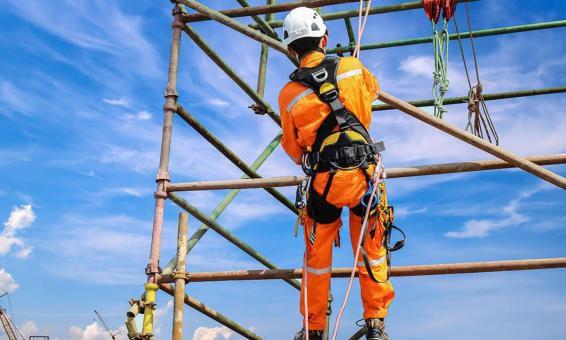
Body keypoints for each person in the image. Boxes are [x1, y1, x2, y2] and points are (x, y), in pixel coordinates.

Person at [278, 7, 394, 340]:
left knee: (316, 259)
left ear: (291, 50)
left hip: (324, 182)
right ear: (325, 39)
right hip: (364, 177)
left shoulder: (289, 95)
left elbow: (294, 150)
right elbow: (371, 93)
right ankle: (375, 324)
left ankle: (314, 329)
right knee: (372, 248)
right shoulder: (353, 69)